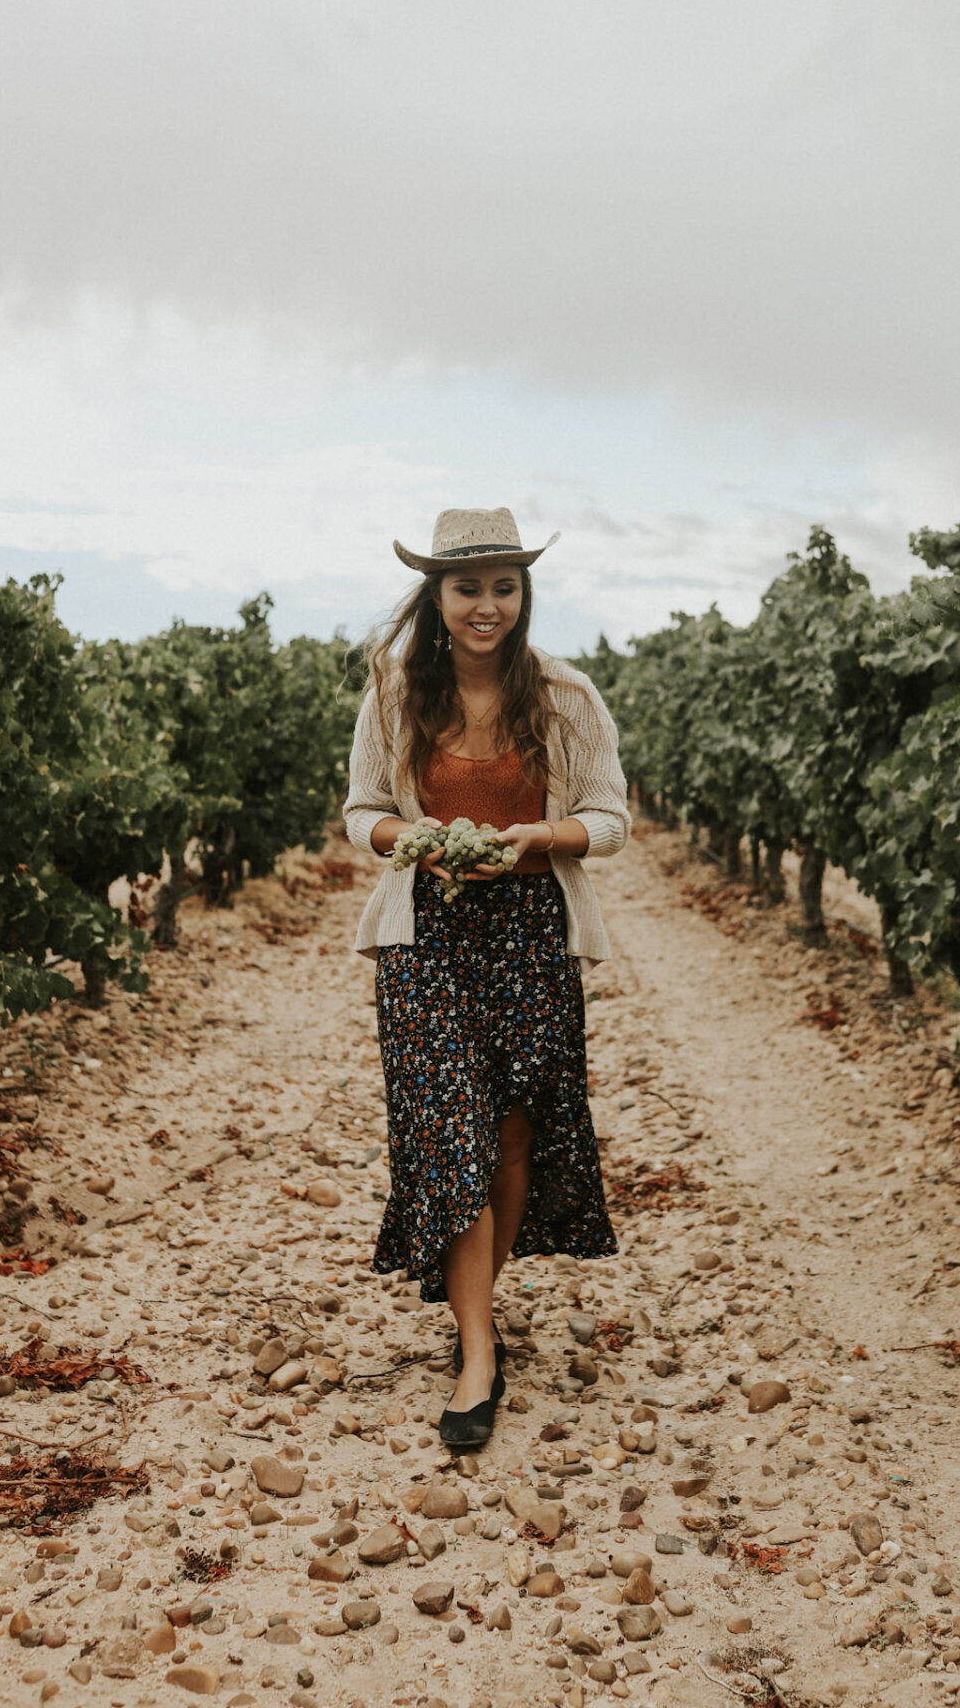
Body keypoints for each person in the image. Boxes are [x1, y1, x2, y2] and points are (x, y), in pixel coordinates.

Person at [343, 506, 630, 1448]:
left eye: (503, 586)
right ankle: (477, 1353)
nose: (487, 605)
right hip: (427, 937)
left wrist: (539, 838)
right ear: (437, 594)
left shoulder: (567, 698)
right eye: (468, 587)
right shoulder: (394, 696)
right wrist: (415, 839)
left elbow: (610, 819)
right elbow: (363, 815)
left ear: (523, 593)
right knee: (449, 1130)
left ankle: (479, 1316)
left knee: (509, 1136)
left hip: (528, 936)